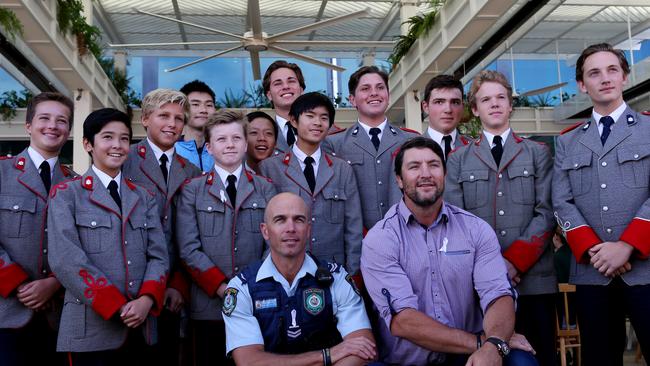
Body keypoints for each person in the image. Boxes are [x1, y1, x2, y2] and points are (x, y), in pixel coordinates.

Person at [361, 137, 538, 366]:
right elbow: (404, 321)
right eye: (414, 167)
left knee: (522, 362)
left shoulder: (475, 229)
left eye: (434, 165)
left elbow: (498, 295)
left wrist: (493, 344)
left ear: (444, 175)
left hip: (468, 359)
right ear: (399, 180)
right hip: (408, 361)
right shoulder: (381, 238)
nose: (426, 174)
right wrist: (486, 343)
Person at [444, 70, 557, 365]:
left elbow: (546, 213)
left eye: (500, 98)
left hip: (534, 281)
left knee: (540, 355)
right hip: (480, 285)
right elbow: (457, 220)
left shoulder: (537, 153)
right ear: (475, 109)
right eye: (485, 99)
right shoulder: (457, 159)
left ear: (510, 105)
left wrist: (514, 261)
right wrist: (494, 267)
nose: (494, 104)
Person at [552, 42, 650, 365]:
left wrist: (627, 246)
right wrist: (597, 250)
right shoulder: (567, 141)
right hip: (592, 273)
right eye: (594, 73)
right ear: (582, 84)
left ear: (624, 77)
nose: (604, 78)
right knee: (599, 359)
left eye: (612, 70)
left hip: (645, 270)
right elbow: (561, 201)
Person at [48, 108, 169, 365]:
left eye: (124, 139)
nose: (117, 145)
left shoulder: (143, 196)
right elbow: (65, 259)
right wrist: (114, 304)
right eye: (108, 137)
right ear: (88, 144)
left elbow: (158, 255)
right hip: (90, 329)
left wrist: (147, 299)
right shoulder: (67, 194)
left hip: (142, 325)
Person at [223, 192, 376, 365]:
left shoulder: (337, 278)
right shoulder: (242, 288)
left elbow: (364, 349)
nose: (291, 228)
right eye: (280, 220)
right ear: (265, 231)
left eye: (299, 220)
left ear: (309, 230)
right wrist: (327, 355)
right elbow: (250, 362)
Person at [176, 110, 276, 365]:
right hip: (209, 304)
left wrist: (249, 288)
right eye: (221, 139)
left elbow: (272, 243)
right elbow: (188, 248)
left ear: (245, 143)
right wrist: (223, 288)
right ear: (209, 147)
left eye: (236, 138)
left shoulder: (265, 187)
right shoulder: (193, 190)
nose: (230, 144)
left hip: (256, 300)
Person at [122, 88, 202, 365]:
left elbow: (190, 233)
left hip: (172, 290)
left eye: (179, 119)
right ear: (145, 119)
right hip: (128, 287)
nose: (172, 124)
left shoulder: (190, 170)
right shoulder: (124, 159)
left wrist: (178, 283)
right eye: (163, 116)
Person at [0, 92, 77, 366]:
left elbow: (84, 247)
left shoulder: (76, 183)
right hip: (7, 312)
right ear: (28, 125)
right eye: (44, 118)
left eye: (62, 121)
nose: (53, 126)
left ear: (68, 130)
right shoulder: (3, 172)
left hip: (59, 316)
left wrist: (54, 283)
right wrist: (20, 286)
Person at [259, 92, 364, 277]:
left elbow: (353, 228)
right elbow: (264, 226)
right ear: (293, 120)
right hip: (285, 271)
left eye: (324, 118)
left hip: (334, 271)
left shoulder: (342, 169)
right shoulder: (270, 168)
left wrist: (352, 275)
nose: (317, 123)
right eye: (310, 116)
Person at [324, 66, 418, 232]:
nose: (374, 93)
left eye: (380, 88)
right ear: (352, 99)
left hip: (406, 234)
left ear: (388, 96)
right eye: (365, 89)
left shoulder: (411, 140)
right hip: (357, 239)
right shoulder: (335, 144)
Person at [421, 75, 472, 159]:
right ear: (426, 107)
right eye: (439, 102)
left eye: (455, 102)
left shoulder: (476, 150)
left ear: (462, 107)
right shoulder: (410, 150)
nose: (448, 110)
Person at [263, 60, 306, 155]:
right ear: (269, 95)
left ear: (301, 90)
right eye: (278, 83)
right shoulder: (260, 137)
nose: (286, 86)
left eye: (291, 81)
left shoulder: (324, 131)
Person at [175, 80, 217, 171]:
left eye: (209, 105)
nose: (203, 110)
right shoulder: (172, 151)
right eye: (195, 104)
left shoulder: (222, 149)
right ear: (182, 109)